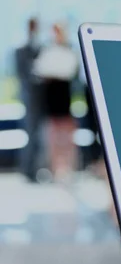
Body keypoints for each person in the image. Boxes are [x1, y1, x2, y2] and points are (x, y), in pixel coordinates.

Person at [33, 23, 79, 183]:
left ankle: (67, 169)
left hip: (64, 99)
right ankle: (56, 171)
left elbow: (71, 70)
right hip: (51, 99)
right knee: (52, 137)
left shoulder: (69, 51)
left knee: (67, 137)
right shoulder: (47, 51)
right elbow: (39, 70)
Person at [15, 18, 43, 182]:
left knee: (39, 136)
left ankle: (36, 169)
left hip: (42, 98)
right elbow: (22, 74)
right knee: (31, 133)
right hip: (30, 98)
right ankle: (28, 170)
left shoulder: (40, 48)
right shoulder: (21, 48)